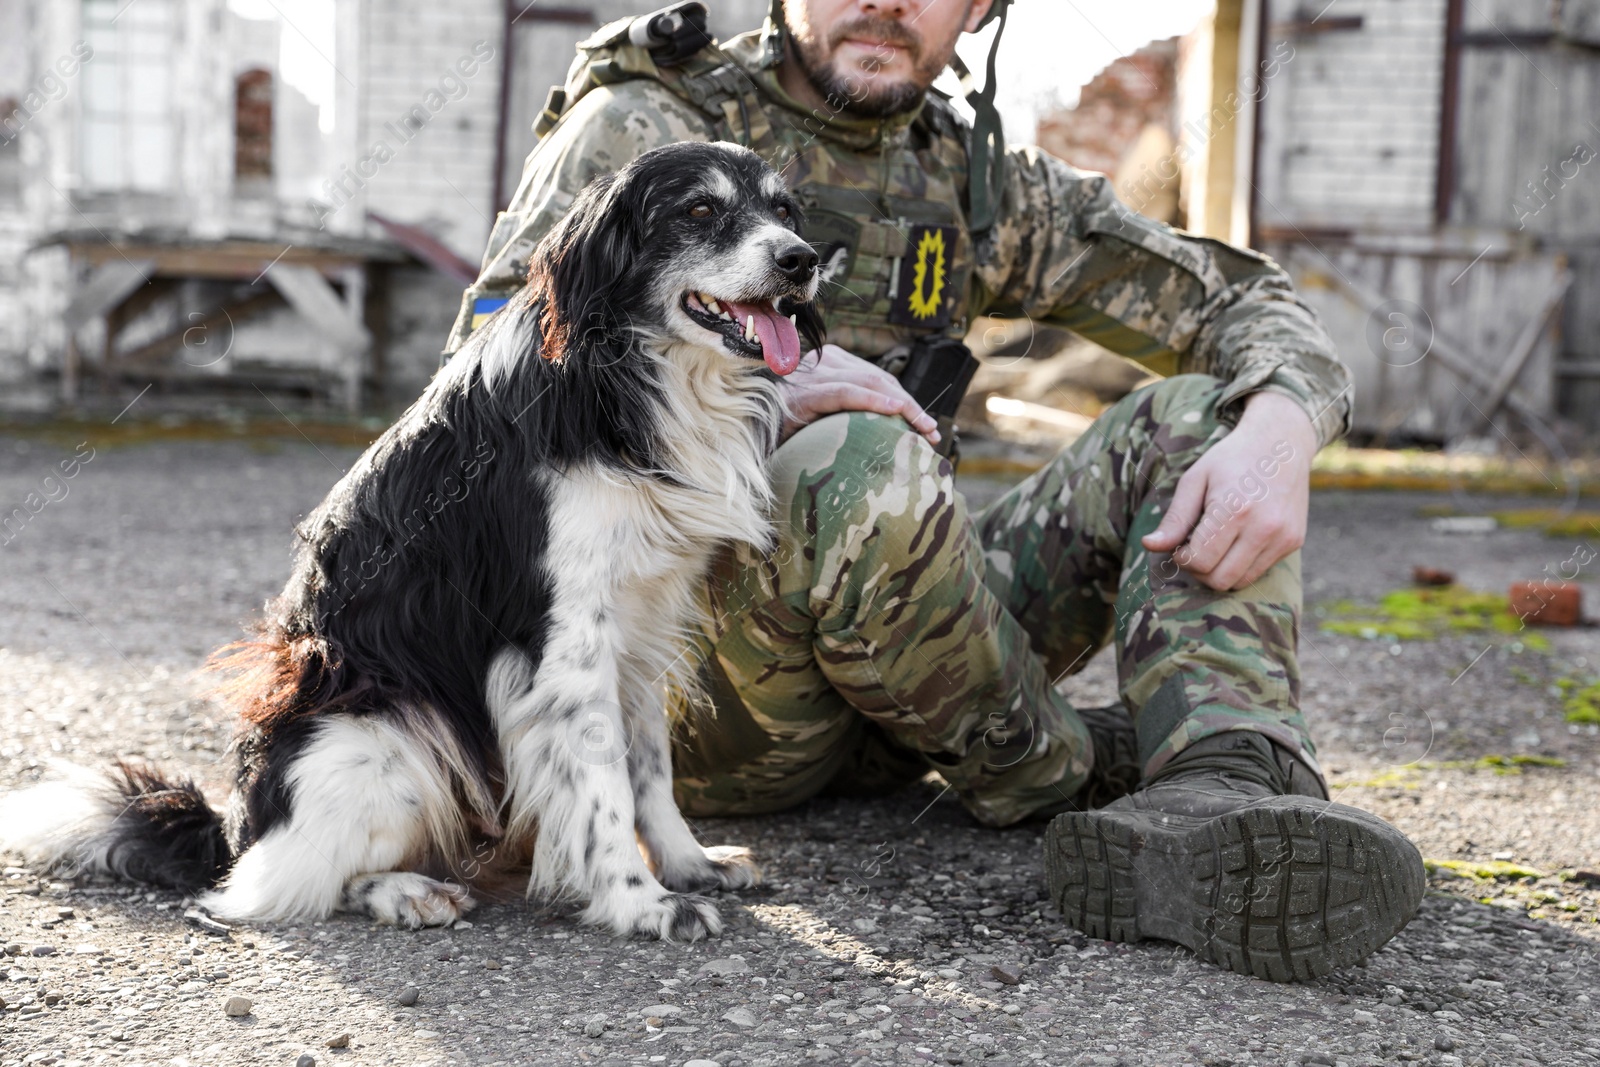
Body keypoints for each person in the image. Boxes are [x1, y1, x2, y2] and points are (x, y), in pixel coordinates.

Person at [443, 0, 1424, 981]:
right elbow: (481, 377)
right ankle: (1072, 768)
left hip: (911, 657)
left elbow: (1234, 298)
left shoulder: (964, 175)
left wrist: (1286, 425)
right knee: (856, 455)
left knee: (1199, 418)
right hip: (705, 684)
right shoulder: (644, 127)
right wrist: (755, 402)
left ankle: (1219, 804)